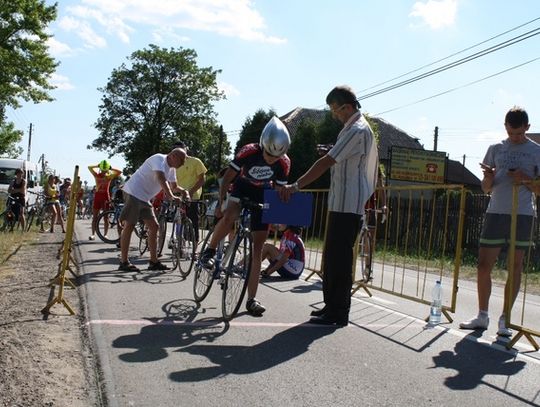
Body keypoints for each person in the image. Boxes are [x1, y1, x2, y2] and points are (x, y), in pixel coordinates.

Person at [280, 85, 379, 326]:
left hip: (349, 204)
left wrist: (296, 186)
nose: (334, 115)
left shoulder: (357, 129)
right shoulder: (350, 128)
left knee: (340, 260)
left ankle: (339, 312)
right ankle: (331, 306)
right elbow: (338, 157)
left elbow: (326, 162)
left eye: (335, 110)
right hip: (341, 202)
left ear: (347, 106)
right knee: (332, 258)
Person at [460, 106, 540, 337]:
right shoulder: (495, 149)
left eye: (519, 133)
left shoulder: (536, 151)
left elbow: (539, 188)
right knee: (484, 266)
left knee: (514, 266)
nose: (515, 137)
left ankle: (506, 319)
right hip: (495, 211)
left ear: (527, 127)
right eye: (511, 133)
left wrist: (525, 179)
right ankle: (482, 316)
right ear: (505, 127)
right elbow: (486, 189)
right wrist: (489, 177)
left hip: (522, 214)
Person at [200, 116, 291, 316]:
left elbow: (277, 192)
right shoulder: (249, 151)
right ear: (262, 145)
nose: (271, 159)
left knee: (258, 249)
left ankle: (251, 299)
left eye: (276, 157)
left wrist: (277, 217)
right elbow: (227, 179)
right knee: (230, 216)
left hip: (262, 193)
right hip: (240, 187)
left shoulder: (284, 163)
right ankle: (210, 250)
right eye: (268, 154)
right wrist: (222, 203)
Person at [118, 148, 189, 271]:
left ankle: (153, 261)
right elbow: (161, 178)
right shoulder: (159, 159)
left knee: (154, 227)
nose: (183, 164)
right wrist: (171, 197)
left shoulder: (172, 169)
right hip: (134, 192)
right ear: (173, 156)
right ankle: (124, 262)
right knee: (129, 225)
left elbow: (174, 186)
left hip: (145, 198)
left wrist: (184, 191)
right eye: (182, 160)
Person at [173, 141, 207, 245]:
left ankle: (194, 248)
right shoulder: (174, 164)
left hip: (193, 196)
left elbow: (202, 179)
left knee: (193, 221)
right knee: (178, 219)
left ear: (185, 148)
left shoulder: (195, 161)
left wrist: (191, 192)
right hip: (178, 194)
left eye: (180, 148)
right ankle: (179, 243)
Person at [88, 160, 122, 240]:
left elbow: (119, 172)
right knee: (95, 217)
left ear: (107, 169)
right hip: (97, 196)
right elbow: (89, 167)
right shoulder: (96, 175)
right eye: (102, 169)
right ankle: (93, 234)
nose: (103, 171)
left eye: (105, 169)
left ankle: (105, 234)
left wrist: (110, 168)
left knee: (106, 217)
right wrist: (98, 165)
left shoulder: (109, 176)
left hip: (105, 197)